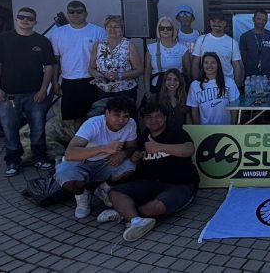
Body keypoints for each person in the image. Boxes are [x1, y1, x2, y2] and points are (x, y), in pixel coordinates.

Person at [99, 101, 198, 242]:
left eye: (158, 116)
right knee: (114, 193)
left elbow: (189, 150)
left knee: (155, 208)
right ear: (144, 120)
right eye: (149, 117)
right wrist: (135, 159)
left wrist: (159, 147)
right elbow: (135, 162)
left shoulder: (176, 132)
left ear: (165, 118)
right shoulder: (142, 137)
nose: (153, 120)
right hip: (150, 182)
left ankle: (125, 213)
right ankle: (135, 220)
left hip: (179, 183)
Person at [0, 6, 56, 175]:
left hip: (35, 94)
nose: (25, 20)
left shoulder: (42, 41)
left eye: (29, 18)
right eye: (22, 17)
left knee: (38, 129)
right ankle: (12, 162)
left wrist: (43, 90)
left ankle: (40, 159)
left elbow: (49, 67)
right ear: (16, 19)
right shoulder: (3, 39)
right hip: (8, 95)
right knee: (10, 130)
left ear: (35, 22)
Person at [55, 95, 138, 220]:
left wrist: (123, 154)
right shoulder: (93, 124)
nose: (121, 120)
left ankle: (102, 189)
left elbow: (132, 147)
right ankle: (82, 197)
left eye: (125, 116)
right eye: (117, 115)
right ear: (107, 113)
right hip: (83, 161)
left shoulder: (131, 123)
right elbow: (70, 153)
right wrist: (103, 148)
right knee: (66, 175)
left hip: (106, 162)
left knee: (130, 167)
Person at [50, 0, 107, 124]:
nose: (75, 14)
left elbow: (106, 58)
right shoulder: (58, 33)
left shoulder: (98, 32)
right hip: (69, 82)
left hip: (93, 81)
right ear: (67, 13)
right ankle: (79, 144)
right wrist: (55, 83)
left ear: (86, 13)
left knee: (97, 118)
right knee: (77, 119)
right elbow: (56, 61)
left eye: (79, 11)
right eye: (71, 12)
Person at [89, 15, 142, 103]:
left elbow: (139, 70)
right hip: (103, 92)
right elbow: (91, 68)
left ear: (122, 29)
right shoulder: (98, 45)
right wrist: (99, 76)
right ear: (105, 28)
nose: (112, 29)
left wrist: (119, 75)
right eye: (109, 26)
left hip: (125, 91)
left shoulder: (129, 45)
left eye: (116, 27)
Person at [187, 52, 239, 125]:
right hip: (205, 130)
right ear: (202, 65)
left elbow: (234, 108)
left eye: (213, 62)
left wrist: (232, 126)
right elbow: (194, 111)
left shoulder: (229, 82)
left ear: (218, 65)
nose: (209, 65)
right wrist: (198, 130)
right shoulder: (195, 85)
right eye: (206, 63)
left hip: (226, 128)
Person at [192, 12, 242, 86]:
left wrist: (238, 86)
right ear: (210, 22)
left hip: (227, 83)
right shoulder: (201, 40)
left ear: (225, 23)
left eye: (220, 21)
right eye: (214, 21)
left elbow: (236, 66)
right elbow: (195, 64)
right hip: (206, 83)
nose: (217, 24)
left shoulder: (232, 42)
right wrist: (196, 84)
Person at [145, 16, 192, 94]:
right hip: (157, 87)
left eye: (168, 28)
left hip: (177, 88)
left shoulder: (183, 48)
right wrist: (147, 90)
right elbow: (147, 71)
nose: (165, 30)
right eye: (162, 28)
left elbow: (188, 71)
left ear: (173, 30)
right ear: (158, 30)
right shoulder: (151, 48)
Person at [238, 9, 270, 85]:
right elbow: (243, 58)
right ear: (253, 19)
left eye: (264, 20)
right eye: (259, 19)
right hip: (250, 78)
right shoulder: (245, 37)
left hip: (268, 77)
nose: (261, 22)